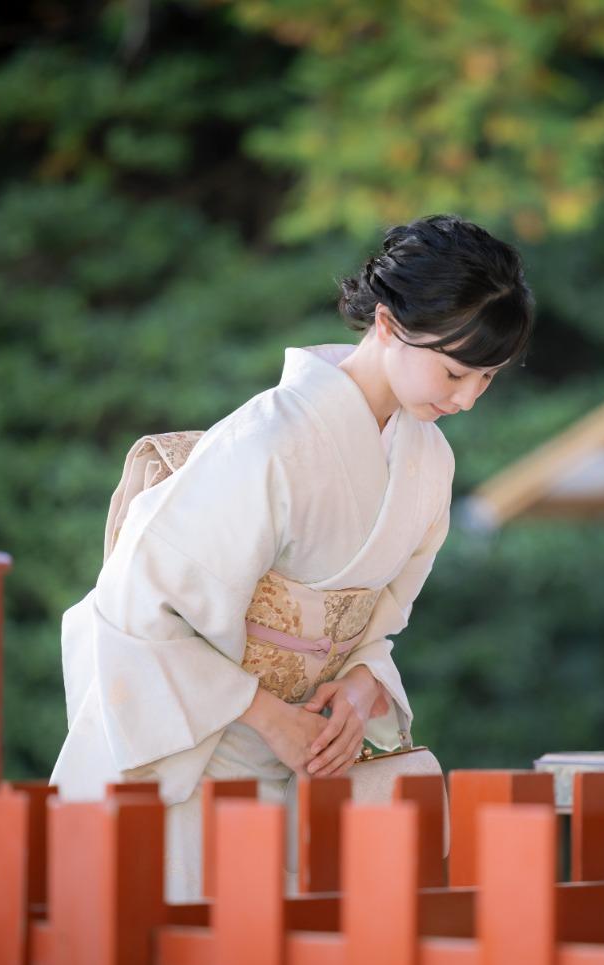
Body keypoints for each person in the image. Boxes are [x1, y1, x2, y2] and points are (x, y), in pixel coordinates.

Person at [50, 215, 534, 900]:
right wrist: (268, 714)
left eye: (486, 379)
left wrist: (362, 687)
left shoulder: (430, 461)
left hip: (311, 758)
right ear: (390, 325)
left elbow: (380, 620)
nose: (466, 398)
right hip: (205, 748)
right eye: (455, 371)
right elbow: (139, 610)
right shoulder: (267, 440)